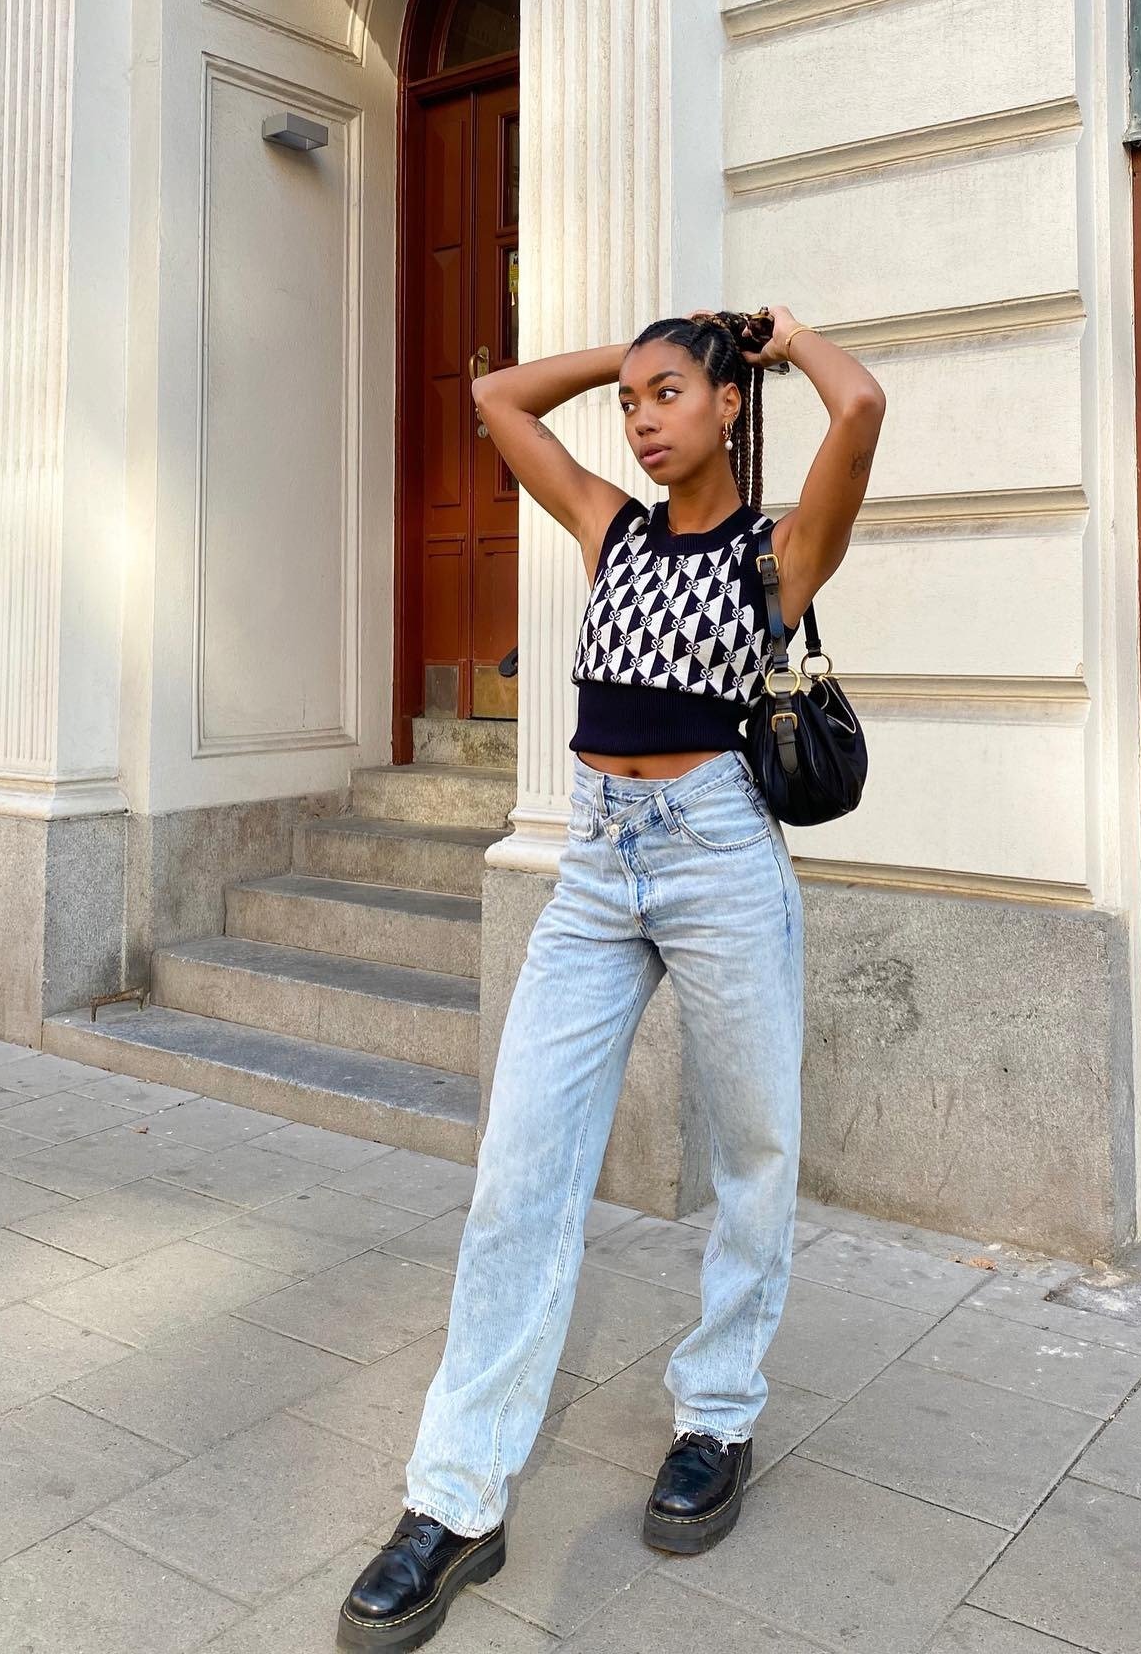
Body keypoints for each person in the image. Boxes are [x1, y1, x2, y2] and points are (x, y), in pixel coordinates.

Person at [337, 304, 885, 1651]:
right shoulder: (608, 527)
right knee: (521, 1169)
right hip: (594, 866)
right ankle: (456, 1499)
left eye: (668, 395)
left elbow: (862, 410)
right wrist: (630, 352)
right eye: (633, 399)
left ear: (729, 410)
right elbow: (503, 400)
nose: (639, 419)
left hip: (717, 857)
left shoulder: (779, 553)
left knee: (753, 1148)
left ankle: (718, 1414)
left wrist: (784, 338)